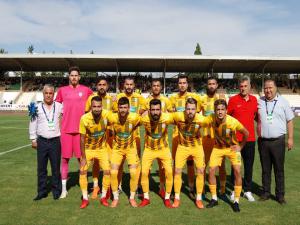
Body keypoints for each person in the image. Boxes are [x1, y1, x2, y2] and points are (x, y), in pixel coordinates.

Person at [55, 66, 93, 198]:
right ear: (68, 77)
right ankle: (64, 189)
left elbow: (97, 102)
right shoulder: (62, 91)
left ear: (79, 77)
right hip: (65, 130)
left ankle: (84, 187)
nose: (74, 77)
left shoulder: (86, 90)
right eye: (72, 75)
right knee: (64, 160)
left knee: (82, 160)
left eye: (76, 75)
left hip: (81, 131)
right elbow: (55, 109)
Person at [206, 99, 249, 212]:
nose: (220, 112)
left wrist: (240, 146)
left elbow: (246, 133)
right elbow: (201, 121)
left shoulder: (233, 122)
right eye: (218, 110)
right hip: (217, 148)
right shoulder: (211, 118)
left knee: (237, 171)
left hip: (232, 149)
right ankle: (214, 198)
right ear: (214, 111)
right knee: (211, 170)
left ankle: (236, 201)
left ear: (226, 111)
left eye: (222, 109)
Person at [257, 79, 294, 204]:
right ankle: (266, 192)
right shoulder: (260, 101)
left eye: (270, 87)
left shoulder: (283, 102)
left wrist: (290, 138)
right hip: (263, 142)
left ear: (275, 88)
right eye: (266, 88)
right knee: (265, 169)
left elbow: (290, 121)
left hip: (278, 141)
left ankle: (280, 195)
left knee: (279, 169)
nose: (268, 90)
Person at [170, 74, 202, 199]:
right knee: (175, 163)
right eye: (180, 83)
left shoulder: (194, 97)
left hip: (192, 135)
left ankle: (192, 187)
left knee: (190, 163)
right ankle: (174, 187)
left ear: (187, 84)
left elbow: (198, 114)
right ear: (177, 84)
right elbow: (170, 114)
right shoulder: (173, 98)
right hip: (177, 135)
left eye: (184, 83)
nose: (182, 85)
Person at [140, 79, 173, 198]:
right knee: (146, 167)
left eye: (158, 86)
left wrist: (165, 117)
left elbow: (172, 113)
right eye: (154, 86)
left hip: (163, 139)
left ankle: (162, 187)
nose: (156, 88)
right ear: (151, 87)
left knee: (162, 167)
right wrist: (143, 113)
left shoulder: (166, 100)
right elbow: (140, 113)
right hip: (149, 140)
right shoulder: (147, 100)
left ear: (161, 87)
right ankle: (144, 188)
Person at [29, 84, 63, 200]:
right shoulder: (36, 107)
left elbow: (66, 119)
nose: (48, 95)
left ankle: (56, 191)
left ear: (54, 94)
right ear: (43, 94)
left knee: (55, 168)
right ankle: (42, 191)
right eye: (46, 93)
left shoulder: (59, 106)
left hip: (55, 142)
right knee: (41, 168)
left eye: (51, 93)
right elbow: (32, 123)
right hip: (42, 141)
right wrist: (33, 139)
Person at [113, 76, 145, 194]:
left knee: (136, 162)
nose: (129, 86)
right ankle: (118, 185)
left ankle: (137, 185)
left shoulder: (140, 98)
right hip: (120, 136)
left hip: (135, 136)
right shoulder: (118, 98)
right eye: (127, 84)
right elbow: (113, 114)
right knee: (119, 162)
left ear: (134, 86)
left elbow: (144, 112)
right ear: (124, 85)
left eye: (131, 84)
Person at [228, 76, 258, 202]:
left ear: (250, 87)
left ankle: (248, 190)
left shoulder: (254, 100)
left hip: (250, 139)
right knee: (235, 167)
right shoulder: (233, 100)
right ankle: (235, 190)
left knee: (249, 166)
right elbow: (227, 119)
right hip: (236, 141)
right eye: (241, 86)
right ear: (238, 87)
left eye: (246, 86)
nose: (243, 88)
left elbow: (255, 116)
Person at [172, 98, 206, 209]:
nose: (190, 111)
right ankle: (177, 198)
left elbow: (214, 122)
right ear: (184, 109)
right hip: (182, 147)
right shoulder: (178, 116)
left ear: (196, 109)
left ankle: (199, 198)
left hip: (197, 147)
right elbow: (164, 118)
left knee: (200, 171)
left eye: (192, 109)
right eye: (188, 109)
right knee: (177, 171)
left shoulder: (201, 119)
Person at [79, 96, 111, 209]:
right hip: (88, 150)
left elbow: (118, 118)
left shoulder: (107, 115)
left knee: (107, 171)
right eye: (94, 107)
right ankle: (85, 198)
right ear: (91, 107)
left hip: (102, 149)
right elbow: (82, 138)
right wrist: (83, 157)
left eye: (99, 106)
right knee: (82, 171)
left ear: (102, 106)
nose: (97, 109)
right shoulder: (84, 118)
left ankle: (103, 196)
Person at [109, 97, 141, 208]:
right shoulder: (112, 117)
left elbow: (144, 120)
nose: (122, 110)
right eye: (121, 107)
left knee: (133, 173)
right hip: (117, 149)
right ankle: (115, 197)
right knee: (113, 173)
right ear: (117, 108)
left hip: (130, 148)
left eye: (125, 107)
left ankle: (132, 197)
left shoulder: (134, 117)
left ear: (129, 108)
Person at [85, 77, 113, 199]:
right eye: (100, 84)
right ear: (97, 86)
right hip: (96, 136)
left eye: (104, 84)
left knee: (110, 162)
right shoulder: (91, 98)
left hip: (109, 136)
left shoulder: (112, 99)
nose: (102, 86)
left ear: (107, 86)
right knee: (96, 162)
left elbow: (115, 115)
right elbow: (86, 114)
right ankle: (96, 186)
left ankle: (111, 187)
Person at [200, 77, 227, 196]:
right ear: (207, 85)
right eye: (209, 84)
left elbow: (226, 118)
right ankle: (204, 187)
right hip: (206, 137)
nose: (211, 86)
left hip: (219, 138)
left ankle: (222, 188)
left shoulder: (221, 98)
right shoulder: (202, 99)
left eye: (213, 84)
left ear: (217, 85)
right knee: (203, 164)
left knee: (221, 165)